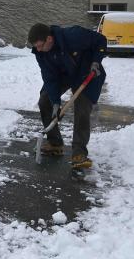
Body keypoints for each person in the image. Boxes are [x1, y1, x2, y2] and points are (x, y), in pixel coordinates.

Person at [28, 22, 107, 169]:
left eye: (40, 45)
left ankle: (79, 153)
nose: (38, 49)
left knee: (82, 108)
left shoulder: (74, 35)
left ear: (49, 39)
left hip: (86, 72)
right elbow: (49, 78)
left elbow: (100, 40)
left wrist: (96, 61)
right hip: (63, 76)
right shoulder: (40, 53)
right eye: (36, 46)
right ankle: (55, 143)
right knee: (45, 101)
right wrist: (56, 102)